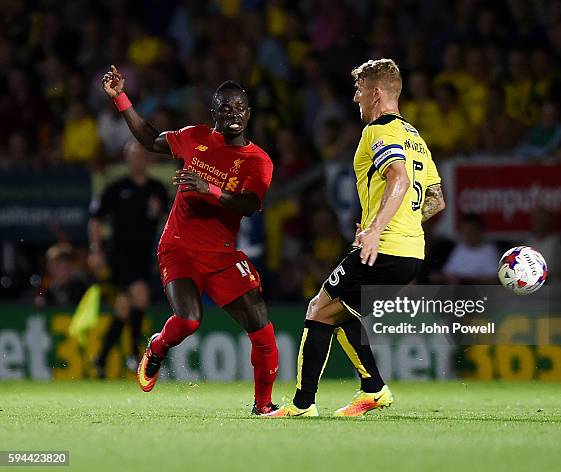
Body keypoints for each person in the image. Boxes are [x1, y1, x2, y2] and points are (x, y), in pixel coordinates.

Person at [265, 59, 445, 417]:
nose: (355, 98)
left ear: (376, 94)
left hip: (383, 248)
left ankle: (303, 404)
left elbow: (399, 179)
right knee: (339, 312)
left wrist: (377, 229)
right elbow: (437, 201)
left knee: (318, 309)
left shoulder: (377, 131)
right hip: (412, 252)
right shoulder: (416, 139)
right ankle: (374, 389)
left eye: (359, 90)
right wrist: (395, 223)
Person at [101, 65, 279, 415]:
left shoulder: (258, 161)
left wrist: (208, 188)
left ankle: (264, 406)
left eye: (240, 108)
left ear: (249, 114)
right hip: (178, 246)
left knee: (262, 328)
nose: (234, 115)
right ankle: (157, 348)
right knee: (189, 321)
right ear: (214, 112)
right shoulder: (193, 137)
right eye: (226, 108)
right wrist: (121, 97)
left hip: (223, 254)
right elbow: (149, 139)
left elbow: (250, 205)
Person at [90, 141, 169, 377]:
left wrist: (163, 246)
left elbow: (168, 221)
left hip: (144, 255)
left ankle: (101, 358)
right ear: (127, 160)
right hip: (119, 255)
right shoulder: (116, 188)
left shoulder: (158, 189)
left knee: (125, 307)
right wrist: (96, 250)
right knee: (141, 296)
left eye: (142, 156)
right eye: (134, 156)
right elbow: (95, 218)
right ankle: (134, 355)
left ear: (148, 160)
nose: (138, 160)